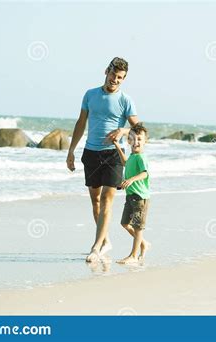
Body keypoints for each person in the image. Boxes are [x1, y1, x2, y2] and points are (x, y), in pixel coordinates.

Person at [66, 57, 139, 263]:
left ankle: (96, 247)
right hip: (91, 153)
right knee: (96, 201)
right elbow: (81, 123)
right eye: (113, 75)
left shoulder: (126, 100)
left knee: (108, 198)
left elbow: (139, 128)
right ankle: (105, 240)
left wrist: (124, 130)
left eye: (120, 78)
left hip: (113, 154)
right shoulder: (90, 95)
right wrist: (71, 150)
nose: (115, 80)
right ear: (106, 71)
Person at [112, 123, 151, 264]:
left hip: (140, 197)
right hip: (131, 196)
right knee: (124, 223)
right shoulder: (132, 156)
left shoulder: (141, 157)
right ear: (129, 141)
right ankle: (143, 244)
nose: (136, 142)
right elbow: (125, 162)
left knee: (137, 226)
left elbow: (145, 174)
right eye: (133, 139)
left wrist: (130, 180)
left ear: (145, 141)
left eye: (140, 139)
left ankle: (134, 256)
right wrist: (116, 145)